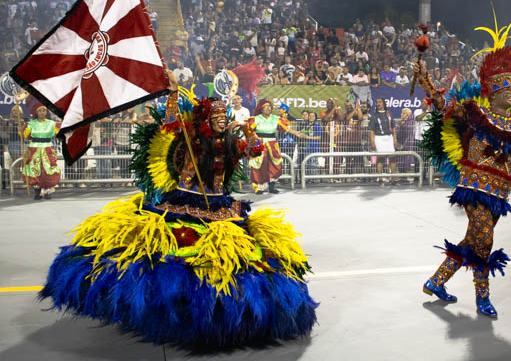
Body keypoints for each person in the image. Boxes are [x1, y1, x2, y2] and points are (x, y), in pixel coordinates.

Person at [39, 79, 317, 350]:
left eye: (224, 117)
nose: (222, 120)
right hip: (185, 202)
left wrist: (248, 131)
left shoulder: (231, 143)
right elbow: (171, 125)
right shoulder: (194, 140)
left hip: (219, 205)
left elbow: (255, 151)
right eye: (217, 117)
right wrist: (172, 95)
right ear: (207, 121)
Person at [414, 15, 511, 318]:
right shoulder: (475, 113)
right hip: (474, 188)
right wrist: (427, 82)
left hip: (500, 194)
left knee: (473, 240)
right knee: (485, 241)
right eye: (507, 91)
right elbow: (446, 107)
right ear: (494, 92)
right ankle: (482, 297)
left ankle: (436, 281)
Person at [21, 105, 61, 200]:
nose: (42, 112)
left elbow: (58, 134)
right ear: (36, 112)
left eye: (44, 110)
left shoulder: (52, 123)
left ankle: (47, 191)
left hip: (47, 148)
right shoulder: (31, 124)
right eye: (40, 111)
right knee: (34, 168)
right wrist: (22, 130)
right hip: (34, 148)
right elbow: (25, 136)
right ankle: (37, 191)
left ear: (46, 112)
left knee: (47, 168)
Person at [369, 97, 398, 186]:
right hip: (379, 138)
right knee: (380, 159)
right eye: (377, 102)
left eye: (380, 102)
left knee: (392, 158)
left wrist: (395, 139)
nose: (378, 104)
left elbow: (393, 128)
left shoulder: (388, 114)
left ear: (384, 104)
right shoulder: (374, 116)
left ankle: (393, 178)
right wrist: (372, 142)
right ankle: (380, 179)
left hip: (389, 138)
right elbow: (372, 130)